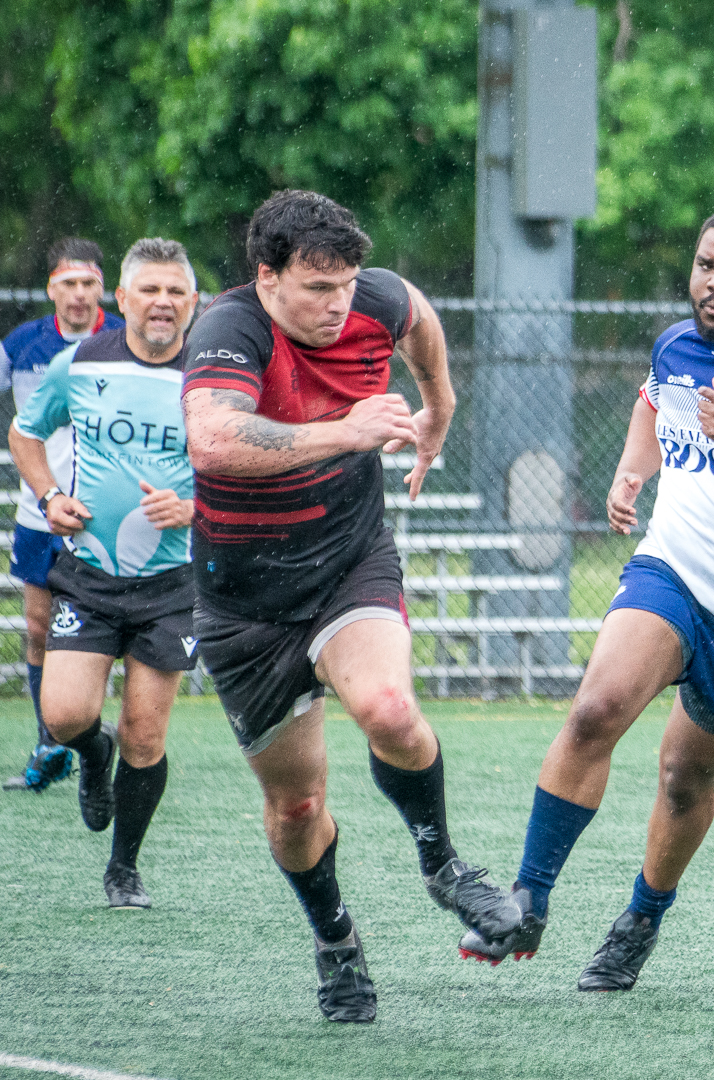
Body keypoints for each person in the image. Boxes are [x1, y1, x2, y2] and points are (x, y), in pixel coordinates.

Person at [456, 201, 714, 993]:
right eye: (705, 265)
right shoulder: (677, 345)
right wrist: (631, 469)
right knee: (594, 709)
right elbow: (655, 399)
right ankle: (527, 900)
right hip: (674, 569)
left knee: (685, 779)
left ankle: (640, 919)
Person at [180, 190, 519, 1023]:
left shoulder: (372, 298)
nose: (338, 306)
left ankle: (443, 867)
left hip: (346, 563)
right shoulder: (229, 330)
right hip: (247, 602)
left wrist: (438, 404)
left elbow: (421, 319)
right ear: (266, 277)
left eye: (346, 285)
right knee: (297, 808)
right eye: (316, 290)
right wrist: (347, 429)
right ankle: (336, 941)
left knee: (393, 711)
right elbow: (213, 442)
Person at [10, 239, 199, 907]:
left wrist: (195, 505)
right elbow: (25, 434)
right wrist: (48, 495)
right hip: (88, 577)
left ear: (193, 303)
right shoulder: (80, 363)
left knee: (148, 736)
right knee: (64, 717)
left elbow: (245, 466)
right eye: (149, 289)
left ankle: (124, 869)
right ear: (123, 300)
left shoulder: (214, 379)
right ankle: (95, 753)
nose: (162, 302)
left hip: (172, 585)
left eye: (175, 291)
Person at [1, 239, 124, 793]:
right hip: (39, 510)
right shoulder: (23, 344)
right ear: (51, 287)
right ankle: (51, 744)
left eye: (88, 283)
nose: (78, 294)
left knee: (110, 631)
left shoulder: (124, 338)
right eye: (68, 283)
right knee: (38, 629)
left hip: (108, 516)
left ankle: (101, 737)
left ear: (103, 288)